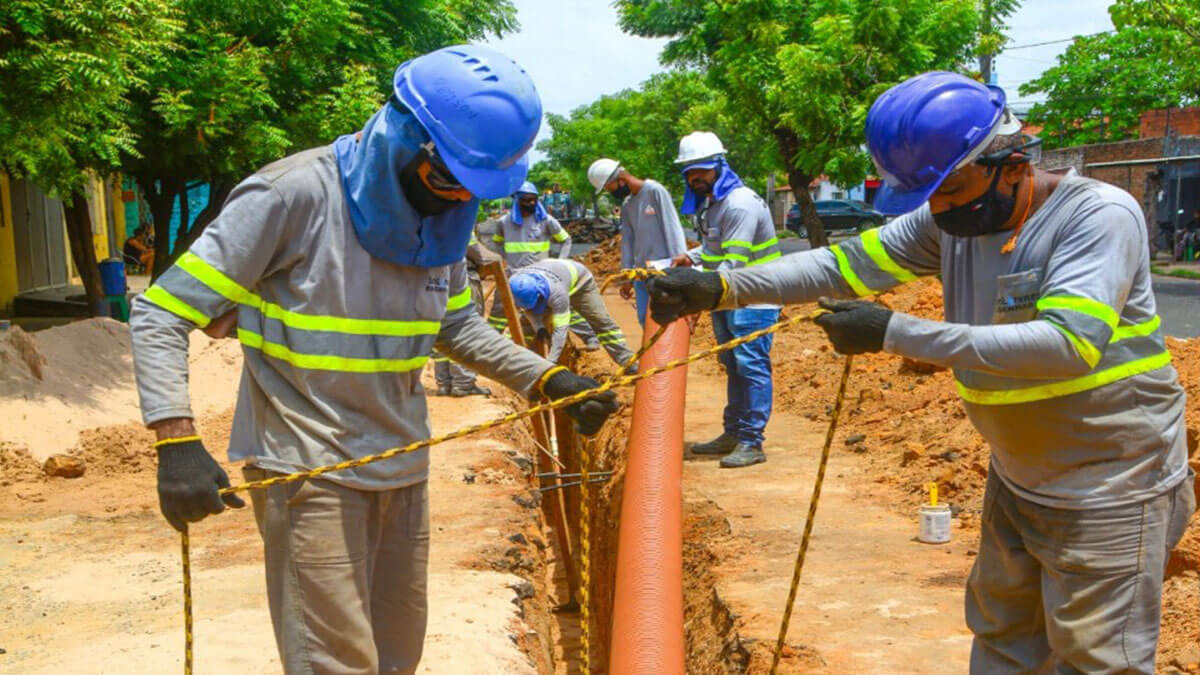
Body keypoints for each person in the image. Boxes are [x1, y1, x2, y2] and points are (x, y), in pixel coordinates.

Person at [648, 72, 1193, 674]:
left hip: (1109, 485)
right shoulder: (951, 221)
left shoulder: (1095, 217)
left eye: (950, 188)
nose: (940, 207)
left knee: (1097, 661)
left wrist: (893, 332)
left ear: (1011, 165)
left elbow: (1066, 345)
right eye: (928, 194)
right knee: (1005, 640)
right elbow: (843, 264)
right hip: (1019, 476)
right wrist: (721, 287)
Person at [129, 45, 619, 675]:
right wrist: (176, 440)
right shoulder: (292, 196)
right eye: (448, 181)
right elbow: (161, 311)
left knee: (394, 659)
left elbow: (458, 326)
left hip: (400, 465)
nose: (457, 199)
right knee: (335, 664)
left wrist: (548, 378)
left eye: (474, 188)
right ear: (405, 141)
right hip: (309, 473)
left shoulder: (444, 224)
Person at [670, 131, 781, 469]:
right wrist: (691, 258)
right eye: (689, 173)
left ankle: (751, 441)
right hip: (727, 296)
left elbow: (733, 264)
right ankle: (733, 433)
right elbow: (715, 252)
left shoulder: (739, 204)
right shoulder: (713, 206)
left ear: (719, 166)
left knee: (751, 366)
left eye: (701, 171)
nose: (695, 178)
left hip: (753, 298)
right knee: (733, 366)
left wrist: (695, 299)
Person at [488, 181, 598, 348]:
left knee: (560, 305)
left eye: (534, 199)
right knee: (499, 308)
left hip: (542, 276)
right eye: (526, 200)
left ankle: (589, 337)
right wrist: (504, 259)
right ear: (517, 199)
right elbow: (496, 242)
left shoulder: (546, 220)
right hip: (514, 274)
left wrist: (561, 261)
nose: (531, 203)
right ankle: (490, 343)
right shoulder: (504, 222)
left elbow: (566, 239)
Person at [587, 158, 688, 326]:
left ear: (620, 179)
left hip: (664, 271)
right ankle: (651, 353)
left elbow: (672, 228)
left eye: (608, 188)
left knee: (667, 320)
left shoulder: (655, 191)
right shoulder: (628, 204)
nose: (610, 192)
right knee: (644, 318)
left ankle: (668, 353)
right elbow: (628, 241)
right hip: (641, 273)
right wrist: (627, 275)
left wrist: (681, 265)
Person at [509, 259, 636, 367]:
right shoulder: (515, 284)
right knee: (526, 327)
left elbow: (560, 330)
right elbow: (528, 310)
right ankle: (526, 365)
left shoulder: (557, 294)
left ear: (539, 294)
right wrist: (540, 328)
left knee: (600, 321)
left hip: (581, 284)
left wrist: (551, 363)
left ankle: (627, 362)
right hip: (554, 276)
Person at [430, 229, 496, 397]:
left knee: (441, 328)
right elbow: (480, 255)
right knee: (464, 327)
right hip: (460, 278)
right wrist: (498, 259)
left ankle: (444, 383)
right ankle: (463, 383)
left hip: (432, 279)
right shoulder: (457, 217)